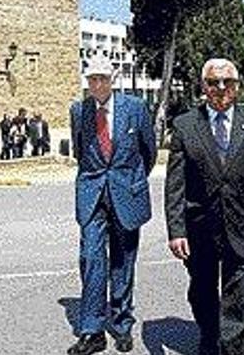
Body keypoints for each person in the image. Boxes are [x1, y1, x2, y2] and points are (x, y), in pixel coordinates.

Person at [164, 58, 244, 355]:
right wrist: (176, 230)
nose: (220, 88)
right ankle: (209, 334)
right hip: (199, 230)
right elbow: (175, 184)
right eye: (213, 82)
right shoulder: (185, 126)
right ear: (203, 86)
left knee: (242, 297)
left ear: (237, 86)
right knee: (202, 292)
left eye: (227, 82)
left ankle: (235, 349)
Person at [68, 53, 157, 355]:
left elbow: (149, 152)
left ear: (112, 80)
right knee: (91, 259)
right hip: (92, 196)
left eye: (102, 79)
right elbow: (81, 152)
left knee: (123, 261)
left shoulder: (135, 108)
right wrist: (97, 179)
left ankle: (122, 324)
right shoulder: (79, 111)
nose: (97, 84)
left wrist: (129, 181)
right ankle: (92, 330)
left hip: (125, 194)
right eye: (92, 80)